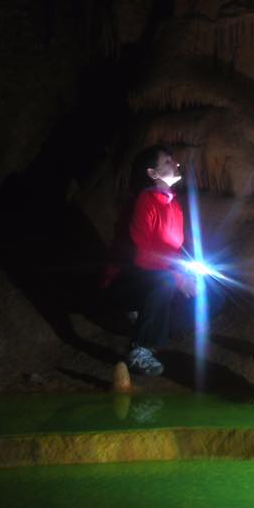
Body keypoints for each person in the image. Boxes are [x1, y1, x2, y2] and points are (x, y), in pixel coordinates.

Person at [104, 145, 196, 377]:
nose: (175, 164)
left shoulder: (174, 206)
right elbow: (142, 257)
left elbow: (173, 253)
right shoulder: (145, 202)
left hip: (156, 278)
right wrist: (178, 277)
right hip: (125, 282)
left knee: (211, 292)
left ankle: (163, 328)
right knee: (166, 280)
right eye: (166, 162)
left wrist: (188, 274)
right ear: (153, 174)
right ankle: (139, 349)